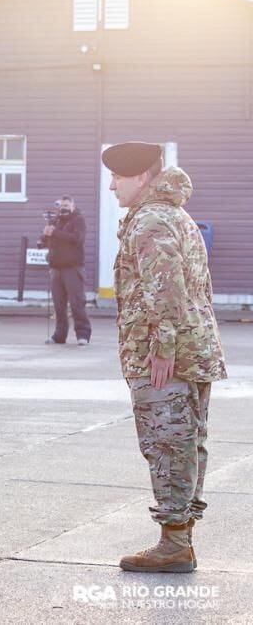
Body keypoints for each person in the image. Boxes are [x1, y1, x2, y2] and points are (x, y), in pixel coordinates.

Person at [103, 141, 226, 573]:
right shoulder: (174, 214)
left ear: (141, 177)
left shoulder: (151, 221)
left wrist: (163, 347)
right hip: (193, 348)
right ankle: (179, 538)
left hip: (166, 354)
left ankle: (174, 545)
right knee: (187, 441)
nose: (112, 185)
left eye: (118, 176)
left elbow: (167, 288)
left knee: (167, 442)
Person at [42, 195, 92, 345]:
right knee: (58, 305)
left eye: (66, 205)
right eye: (61, 205)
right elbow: (47, 240)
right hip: (56, 268)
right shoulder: (55, 221)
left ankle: (83, 335)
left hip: (73, 268)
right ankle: (59, 336)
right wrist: (44, 236)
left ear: (73, 206)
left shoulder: (78, 220)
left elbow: (77, 238)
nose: (63, 207)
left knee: (77, 303)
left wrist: (55, 233)